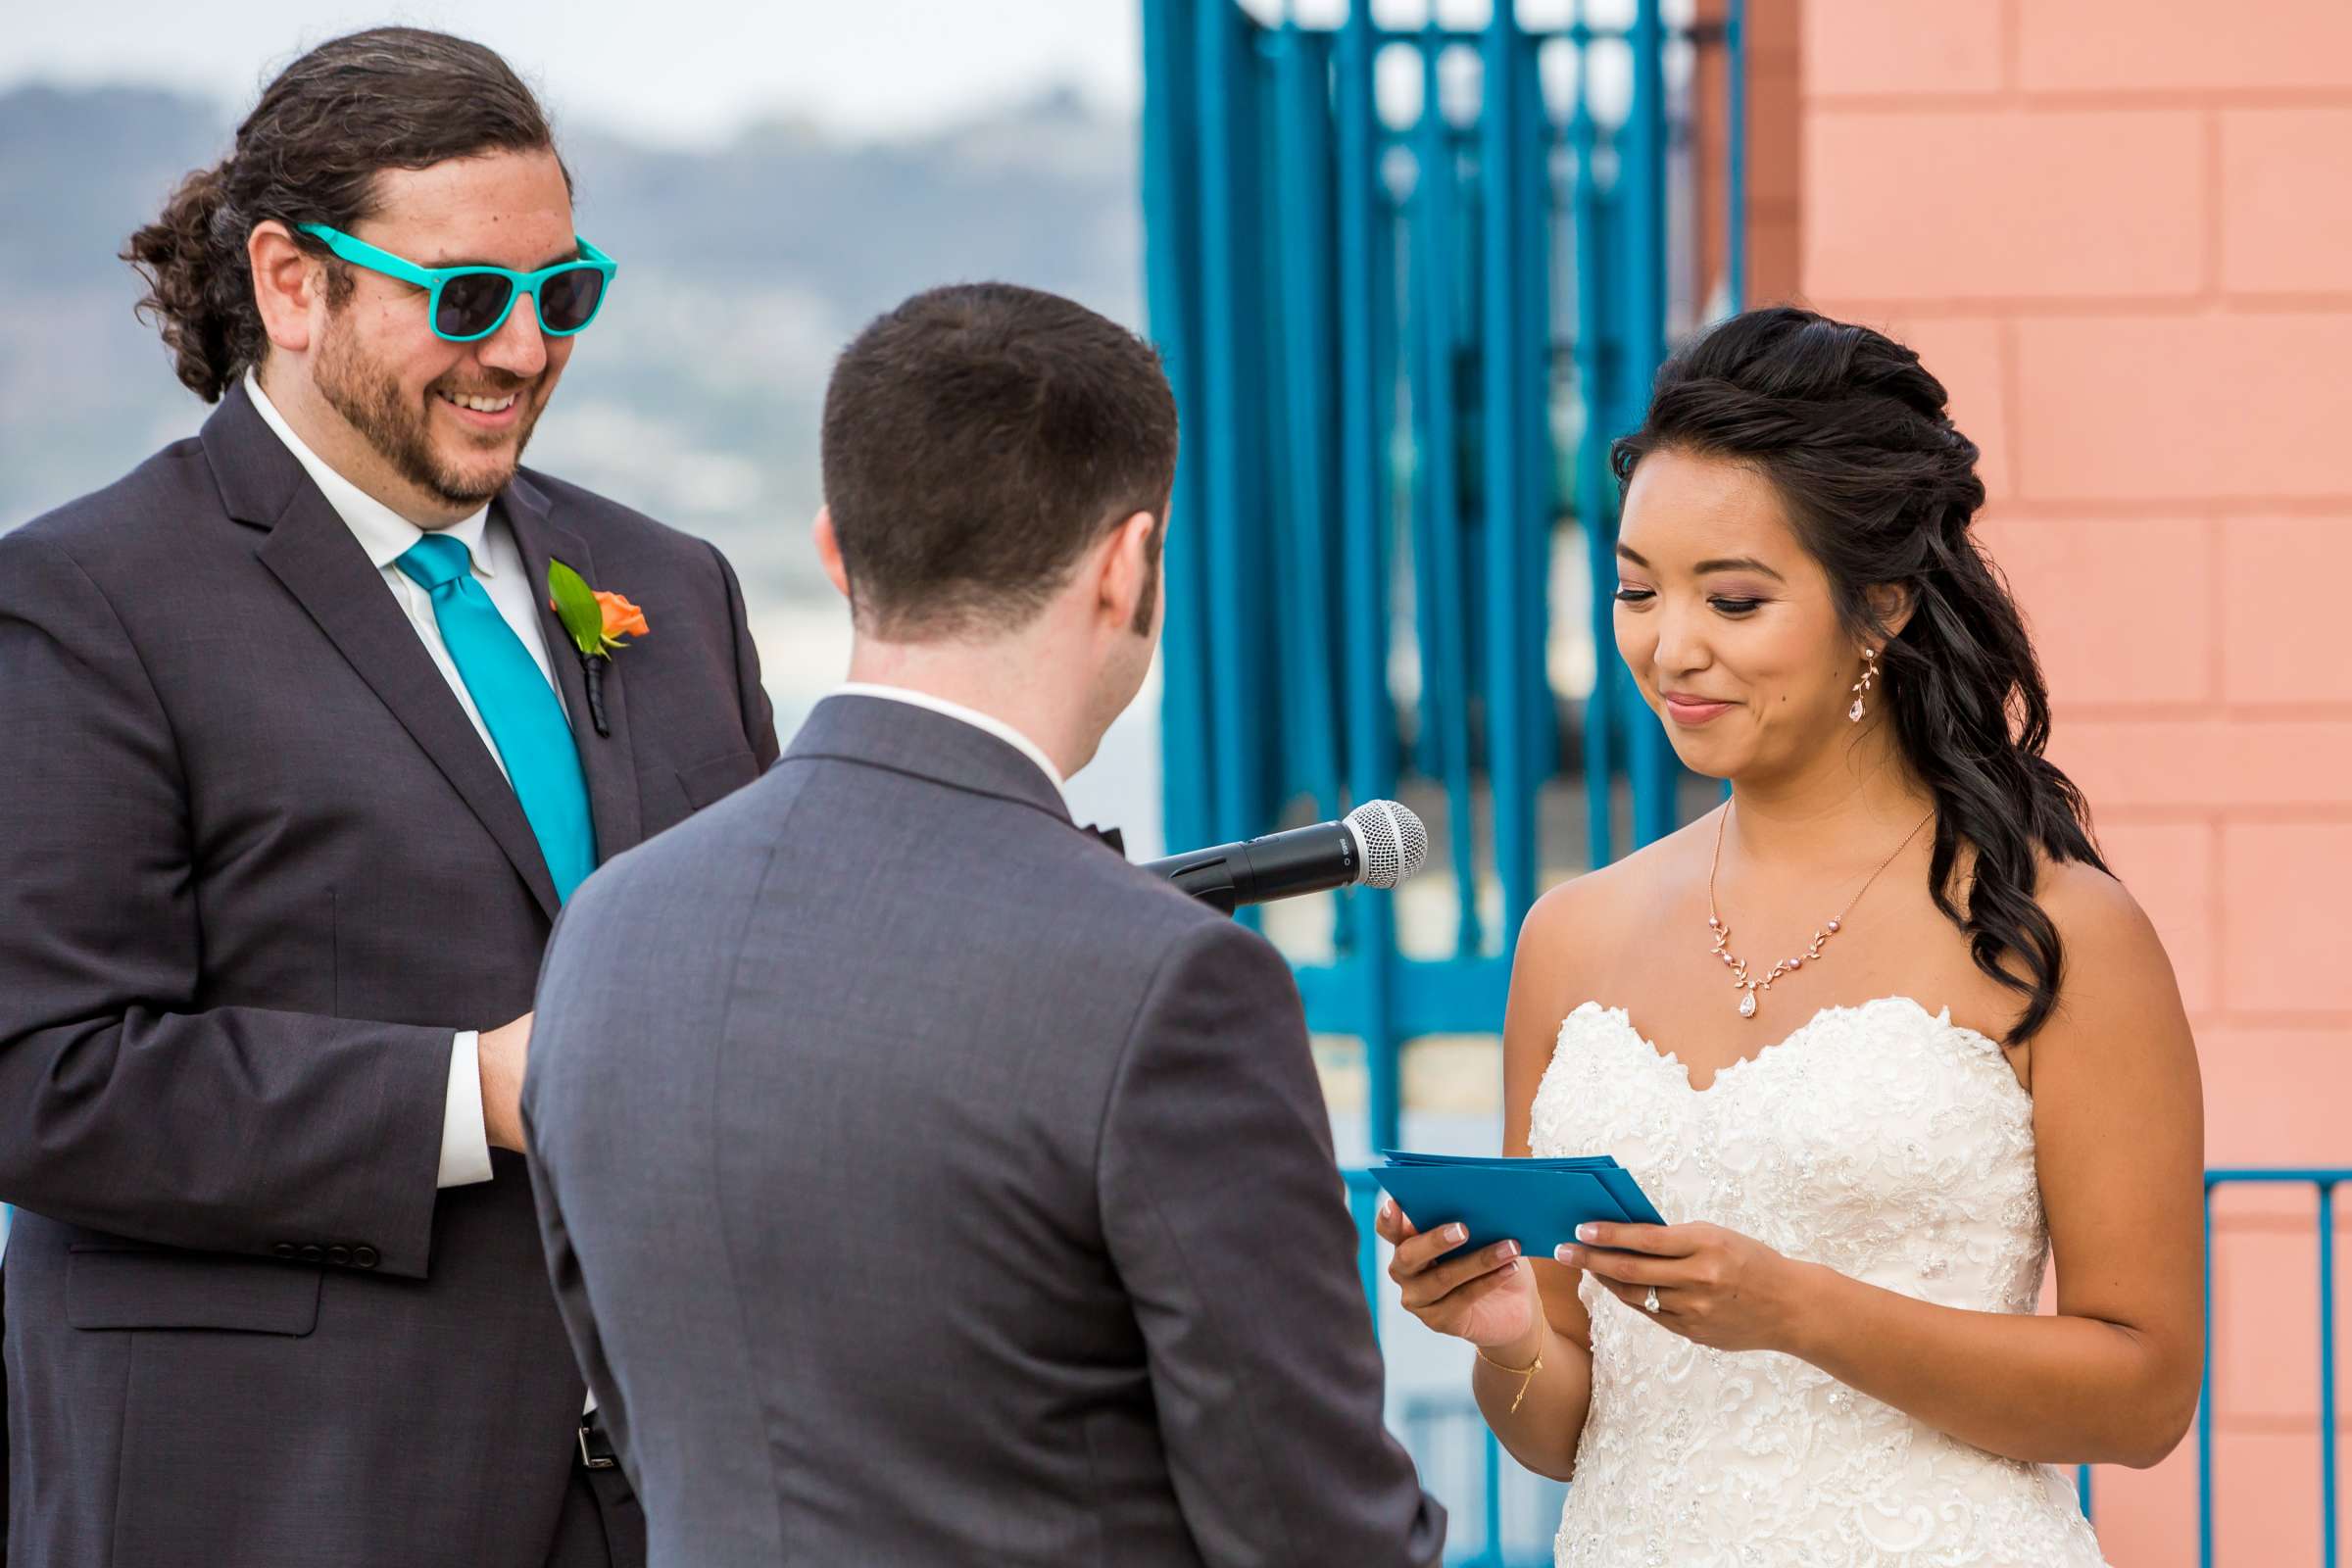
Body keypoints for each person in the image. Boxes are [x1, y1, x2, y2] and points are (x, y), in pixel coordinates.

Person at [0, 28, 776, 1568]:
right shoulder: (82, 601)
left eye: (564, 296)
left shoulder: (671, 587)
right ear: (293, 282)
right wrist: (476, 1093)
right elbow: (41, 1078)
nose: (525, 352)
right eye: (468, 298)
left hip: (673, 1500)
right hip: (283, 1503)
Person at [521, 282, 1446, 1567]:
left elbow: (633, 1398)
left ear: (837, 551)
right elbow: (1311, 1529)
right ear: (1128, 564)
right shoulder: (1168, 980)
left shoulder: (610, 930)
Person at [1377, 307, 2205, 1566]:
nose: (1672, 647)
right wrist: (1503, 1334)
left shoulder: (2059, 930)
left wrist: (1802, 1311)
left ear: (1881, 606)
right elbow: (1562, 1430)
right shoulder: (1570, 936)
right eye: (1636, 591)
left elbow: (2146, 1395)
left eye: (1736, 598)